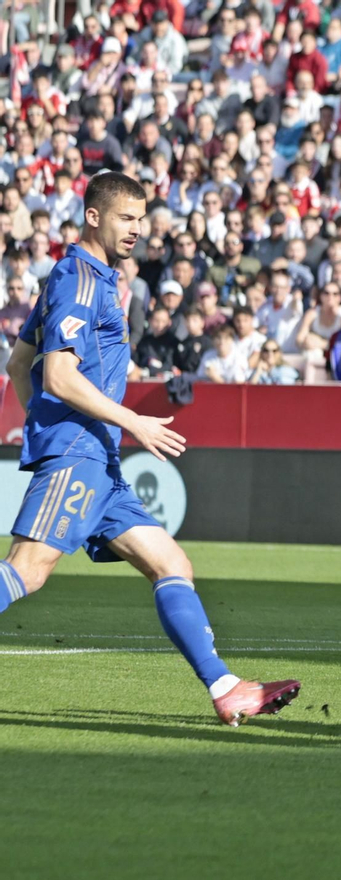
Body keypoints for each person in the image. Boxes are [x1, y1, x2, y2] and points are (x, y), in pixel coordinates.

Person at [1, 173, 300, 725]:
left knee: (171, 562)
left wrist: (47, 425)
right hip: (80, 453)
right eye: (126, 218)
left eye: (142, 218)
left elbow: (20, 364)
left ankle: (227, 687)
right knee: (26, 570)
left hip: (98, 459)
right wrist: (119, 423)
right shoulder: (81, 282)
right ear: (94, 216)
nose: (139, 229)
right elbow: (59, 377)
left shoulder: (78, 276)